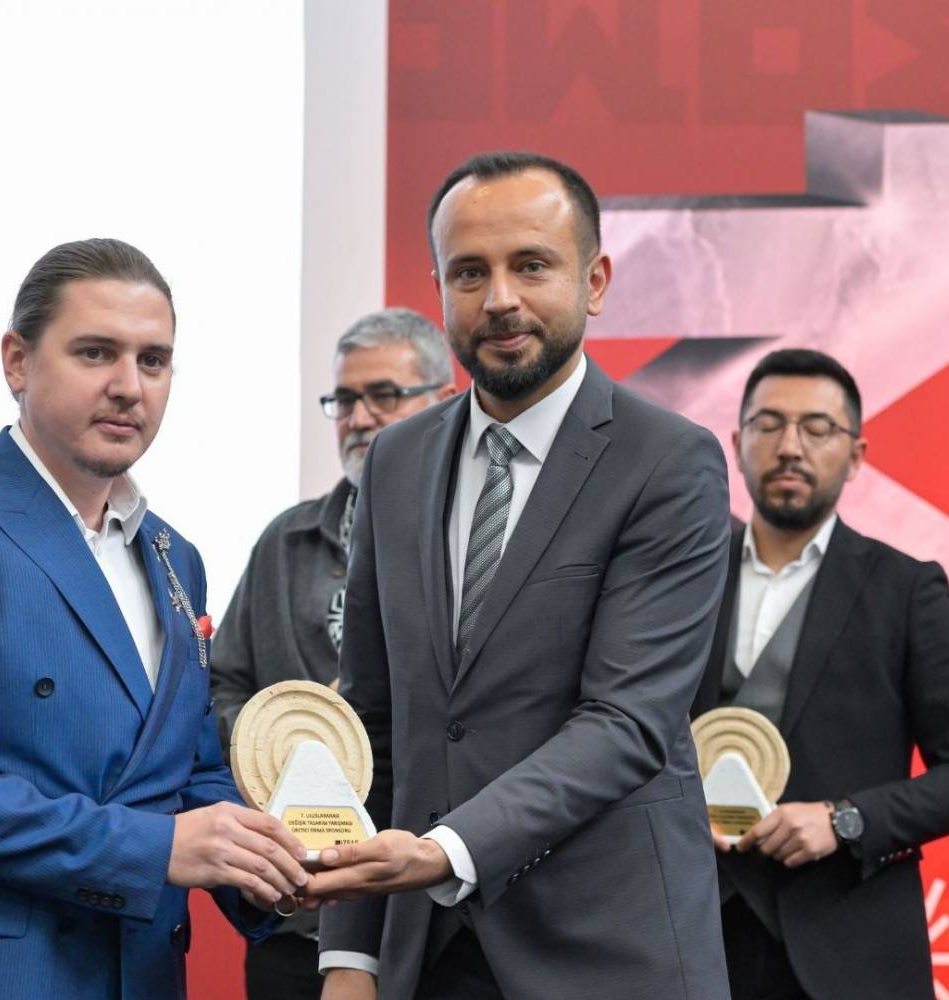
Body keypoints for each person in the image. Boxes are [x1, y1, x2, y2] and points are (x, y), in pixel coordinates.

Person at [0, 238, 307, 1000]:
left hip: (136, 976)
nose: (129, 387)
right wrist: (151, 848)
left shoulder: (175, 557)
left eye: (153, 361)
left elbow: (185, 773)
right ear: (16, 362)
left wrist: (279, 859)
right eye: (95, 353)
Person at [311, 152, 733, 1000]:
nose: (498, 298)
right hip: (426, 956)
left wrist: (443, 852)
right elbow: (372, 721)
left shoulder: (668, 462)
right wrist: (350, 956)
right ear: (440, 289)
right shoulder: (394, 461)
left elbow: (625, 722)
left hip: (608, 955)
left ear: (594, 281)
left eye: (530, 265)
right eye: (469, 272)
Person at [692, 348, 949, 999]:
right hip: (687, 938)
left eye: (816, 428)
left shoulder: (906, 591)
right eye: (768, 425)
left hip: (847, 953)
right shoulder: (679, 579)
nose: (789, 447)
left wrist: (843, 820)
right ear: (737, 444)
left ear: (857, 454)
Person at [210, 307, 455, 998]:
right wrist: (275, 751)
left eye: (384, 395)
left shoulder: (475, 544)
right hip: (298, 905)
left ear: (444, 401)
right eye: (344, 400)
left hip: (434, 909)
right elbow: (222, 684)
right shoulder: (284, 542)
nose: (359, 417)